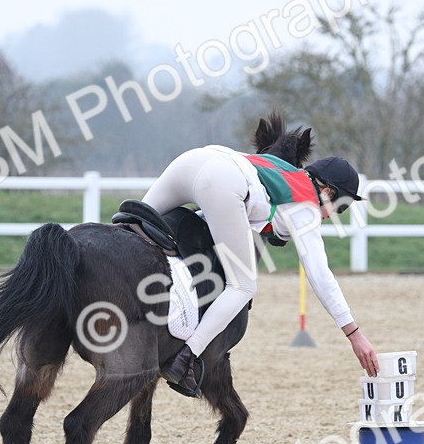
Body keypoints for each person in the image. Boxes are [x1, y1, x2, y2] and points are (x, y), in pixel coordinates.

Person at [141, 145, 380, 396]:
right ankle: (184, 359)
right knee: (243, 285)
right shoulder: (307, 206)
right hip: (222, 180)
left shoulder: (285, 172)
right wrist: (354, 335)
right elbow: (321, 276)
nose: (333, 216)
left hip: (192, 160)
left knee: (127, 224)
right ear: (327, 191)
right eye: (340, 207)